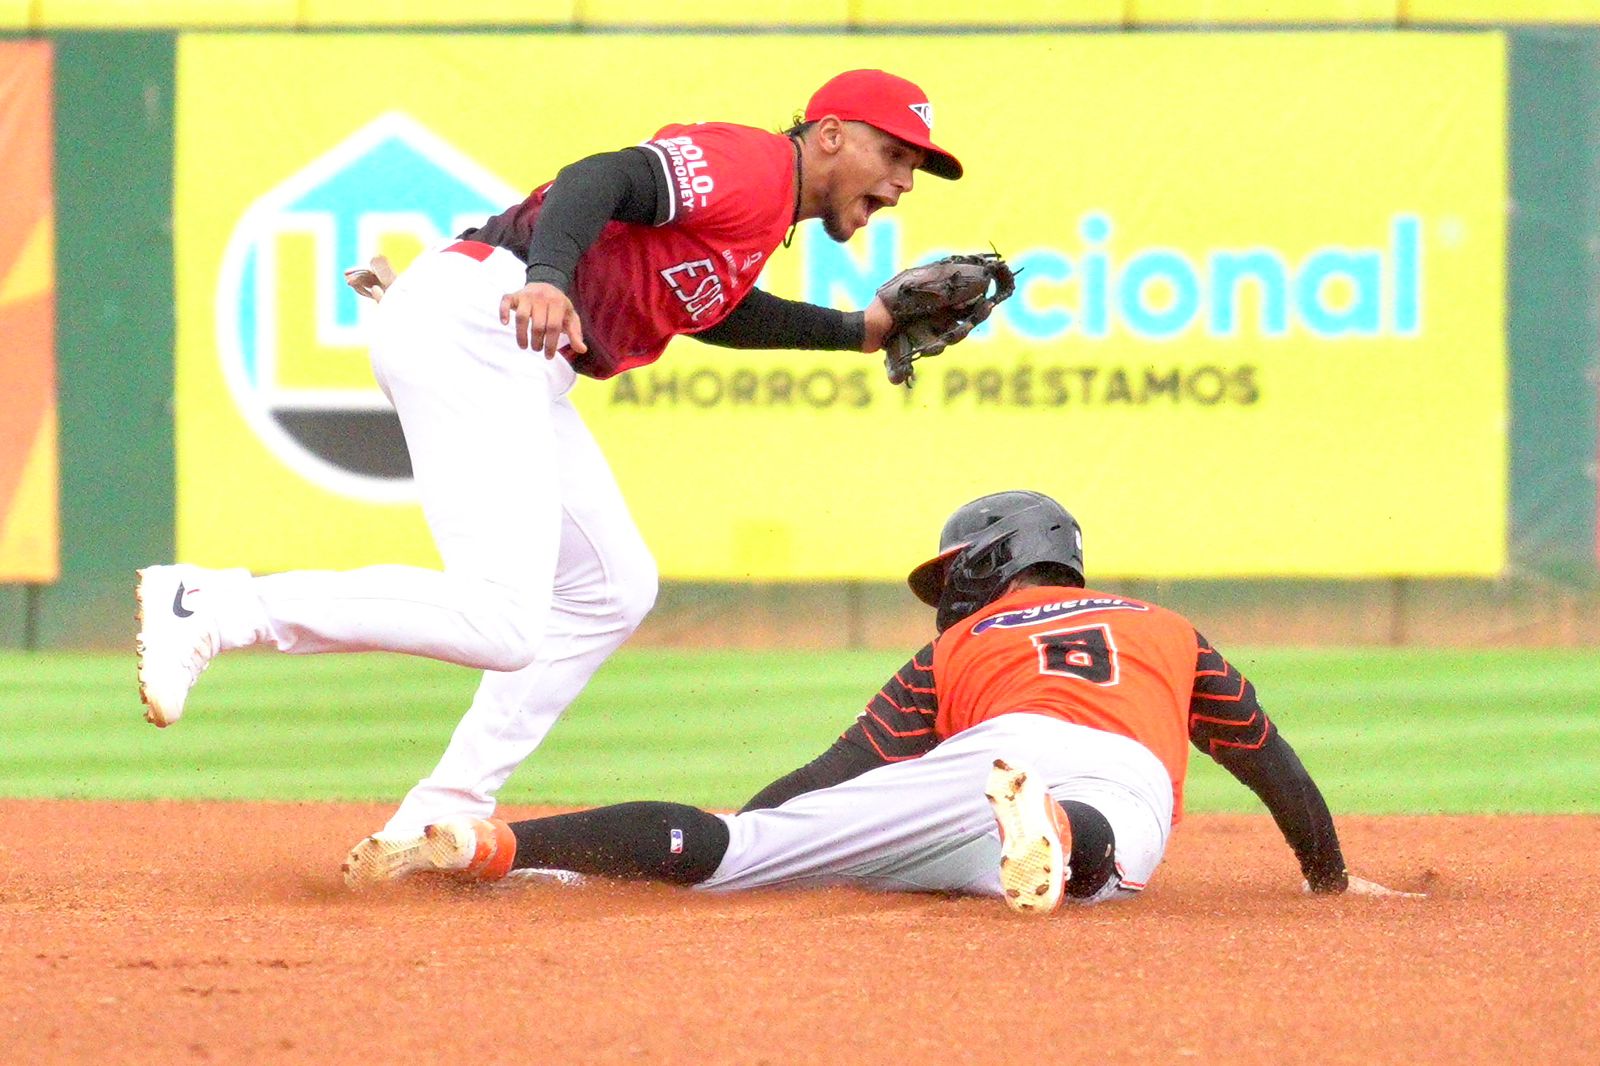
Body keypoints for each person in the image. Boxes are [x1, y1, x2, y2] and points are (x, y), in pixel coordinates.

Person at [135, 69, 965, 841]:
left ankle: (445, 810)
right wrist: (550, 276)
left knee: (612, 588)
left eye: (913, 167)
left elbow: (716, 310)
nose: (901, 182)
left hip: (508, 345)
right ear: (827, 135)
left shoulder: (759, 218)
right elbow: (600, 176)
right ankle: (212, 606)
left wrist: (856, 332)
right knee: (502, 621)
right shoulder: (750, 166)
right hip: (485, 320)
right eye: (892, 153)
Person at [343, 490, 1418, 908]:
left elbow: (834, 771)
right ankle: (1054, 834)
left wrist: (765, 823)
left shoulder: (959, 649)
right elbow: (1271, 764)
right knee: (1110, 850)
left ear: (999, 560)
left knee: (732, 849)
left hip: (974, 760)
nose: (947, 591)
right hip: (1096, 781)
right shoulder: (1167, 628)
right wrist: (1327, 876)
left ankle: (495, 845)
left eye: (957, 570)